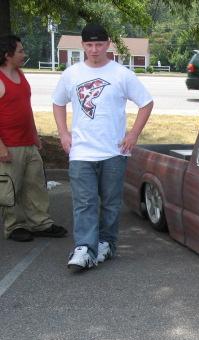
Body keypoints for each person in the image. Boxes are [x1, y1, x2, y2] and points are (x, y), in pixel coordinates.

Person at [52, 24, 153, 271]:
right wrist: (63, 133)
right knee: (85, 202)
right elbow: (57, 103)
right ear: (82, 46)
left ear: (108, 44)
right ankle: (85, 248)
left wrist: (133, 134)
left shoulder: (121, 74)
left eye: (99, 44)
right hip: (81, 151)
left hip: (114, 151)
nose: (94, 49)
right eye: (89, 45)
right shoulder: (71, 74)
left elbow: (146, 103)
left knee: (110, 202)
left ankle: (106, 243)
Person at [0, 34, 67, 242]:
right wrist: (1, 147)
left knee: (35, 185)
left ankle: (40, 223)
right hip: (9, 145)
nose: (24, 54)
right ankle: (14, 226)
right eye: (20, 51)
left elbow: (26, 109)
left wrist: (35, 136)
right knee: (11, 187)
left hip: (28, 142)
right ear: (7, 55)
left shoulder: (20, 74)